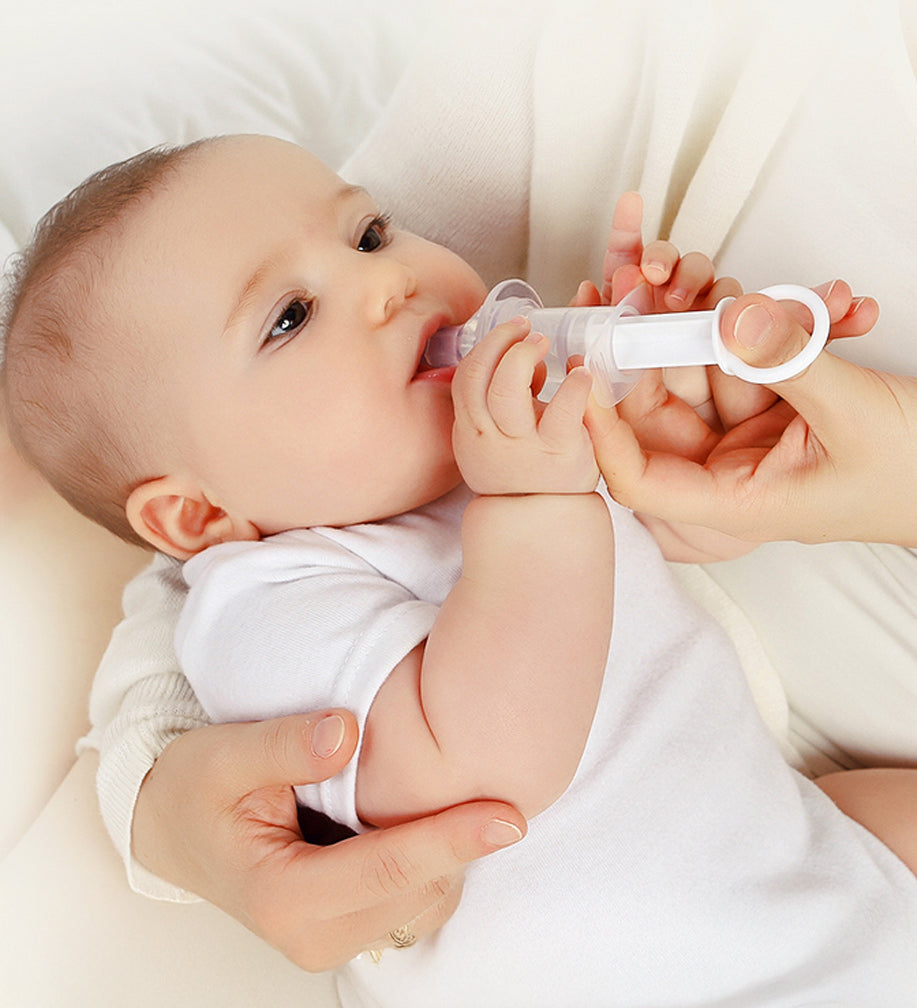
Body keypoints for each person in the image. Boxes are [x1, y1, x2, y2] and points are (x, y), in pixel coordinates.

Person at [3, 133, 916, 1006]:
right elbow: (485, 764)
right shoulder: (262, 607)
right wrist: (536, 504)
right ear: (197, 514)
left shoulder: (491, 460)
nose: (386, 281)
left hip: (794, 867)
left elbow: (664, 575)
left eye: (367, 233)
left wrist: (675, 456)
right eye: (289, 317)